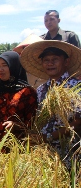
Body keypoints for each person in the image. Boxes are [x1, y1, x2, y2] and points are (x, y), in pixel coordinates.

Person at [21, 40, 81, 170]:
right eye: (46, 60)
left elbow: (77, 122)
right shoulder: (41, 89)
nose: (50, 63)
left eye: (55, 59)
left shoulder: (75, 87)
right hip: (44, 153)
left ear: (66, 62)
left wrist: (49, 136)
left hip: (68, 152)